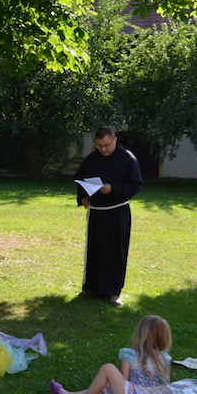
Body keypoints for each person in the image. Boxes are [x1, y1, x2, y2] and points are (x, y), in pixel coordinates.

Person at [50, 315, 177, 394]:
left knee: (108, 369)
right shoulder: (165, 358)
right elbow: (166, 385)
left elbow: (123, 386)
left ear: (139, 334)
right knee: (110, 382)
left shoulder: (129, 355)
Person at [74, 126, 143, 306]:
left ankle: (113, 291)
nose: (103, 149)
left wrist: (113, 188)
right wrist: (83, 198)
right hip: (97, 212)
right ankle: (91, 287)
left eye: (106, 145)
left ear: (115, 140)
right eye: (99, 146)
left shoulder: (127, 158)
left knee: (115, 252)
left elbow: (135, 184)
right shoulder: (92, 159)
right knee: (95, 249)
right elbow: (80, 179)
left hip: (117, 211)